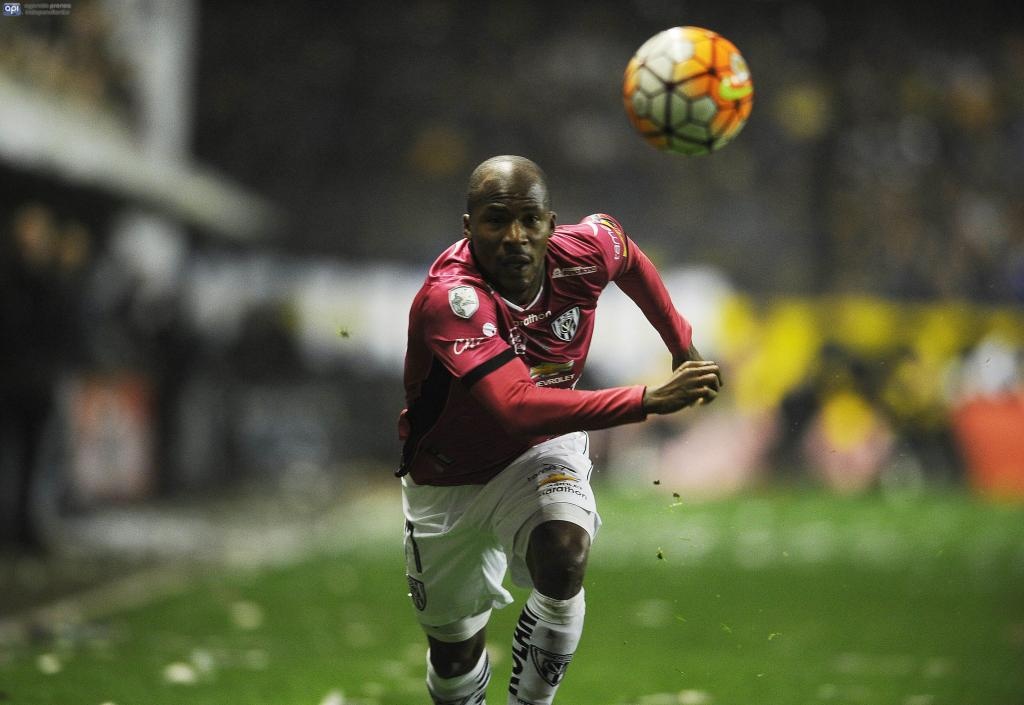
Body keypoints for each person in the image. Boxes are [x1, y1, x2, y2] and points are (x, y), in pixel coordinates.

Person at [398, 155, 722, 705]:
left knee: (564, 553)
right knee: (454, 656)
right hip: (447, 478)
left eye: (529, 219)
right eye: (496, 220)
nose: (514, 236)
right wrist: (647, 400)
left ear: (552, 224)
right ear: (468, 227)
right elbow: (515, 406)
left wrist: (680, 343)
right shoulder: (451, 299)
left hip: (543, 449)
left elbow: (630, 258)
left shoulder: (586, 250)